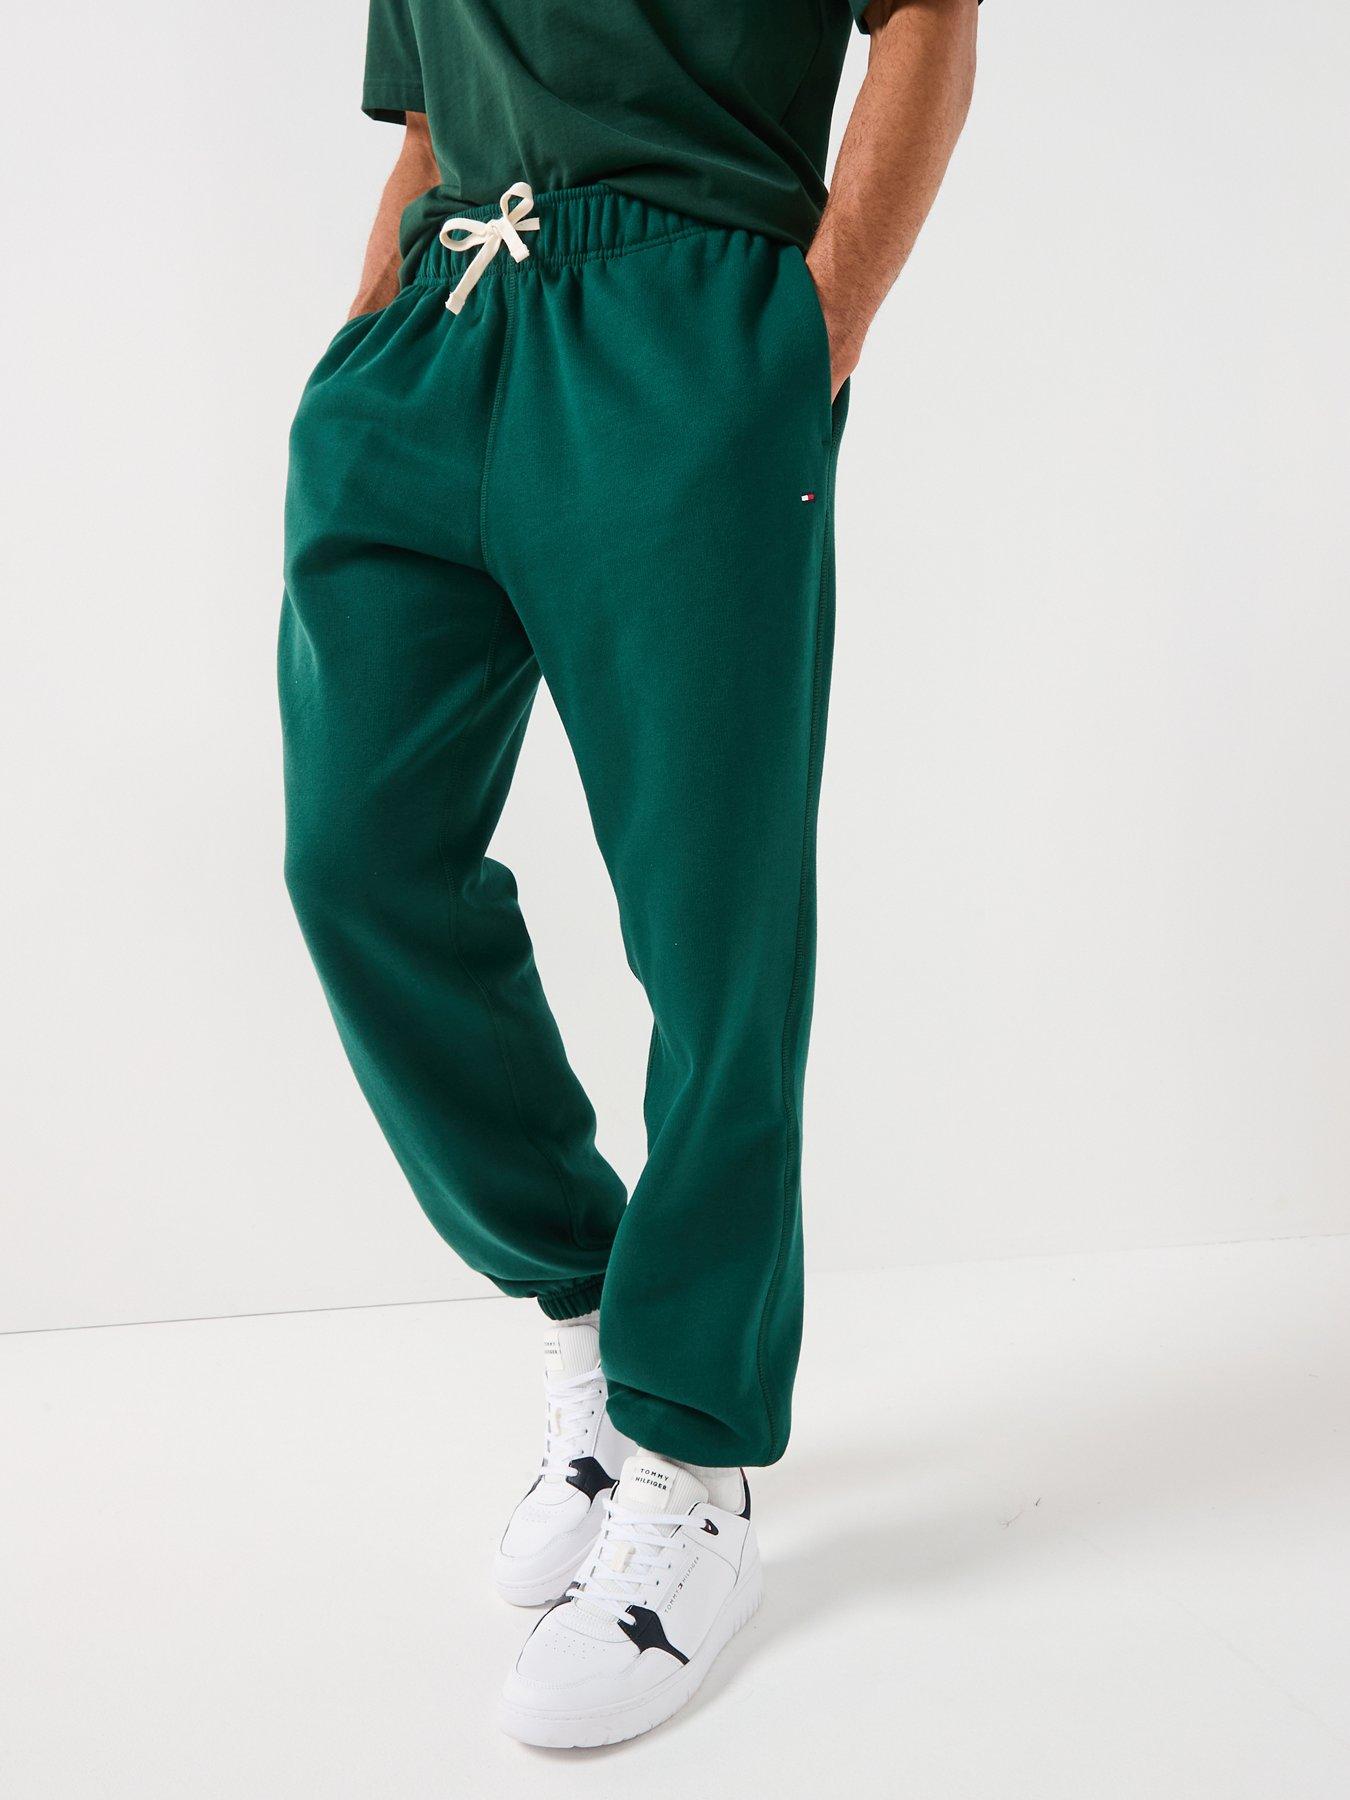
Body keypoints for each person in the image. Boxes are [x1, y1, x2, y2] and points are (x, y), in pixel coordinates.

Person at [280, 0, 979, 1748]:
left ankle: (689, 1464)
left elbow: (928, 18)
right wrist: (367, 339)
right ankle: (590, 1312)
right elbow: (428, 119)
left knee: (710, 930)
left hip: (686, 333)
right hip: (440, 328)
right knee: (357, 862)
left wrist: (808, 336)